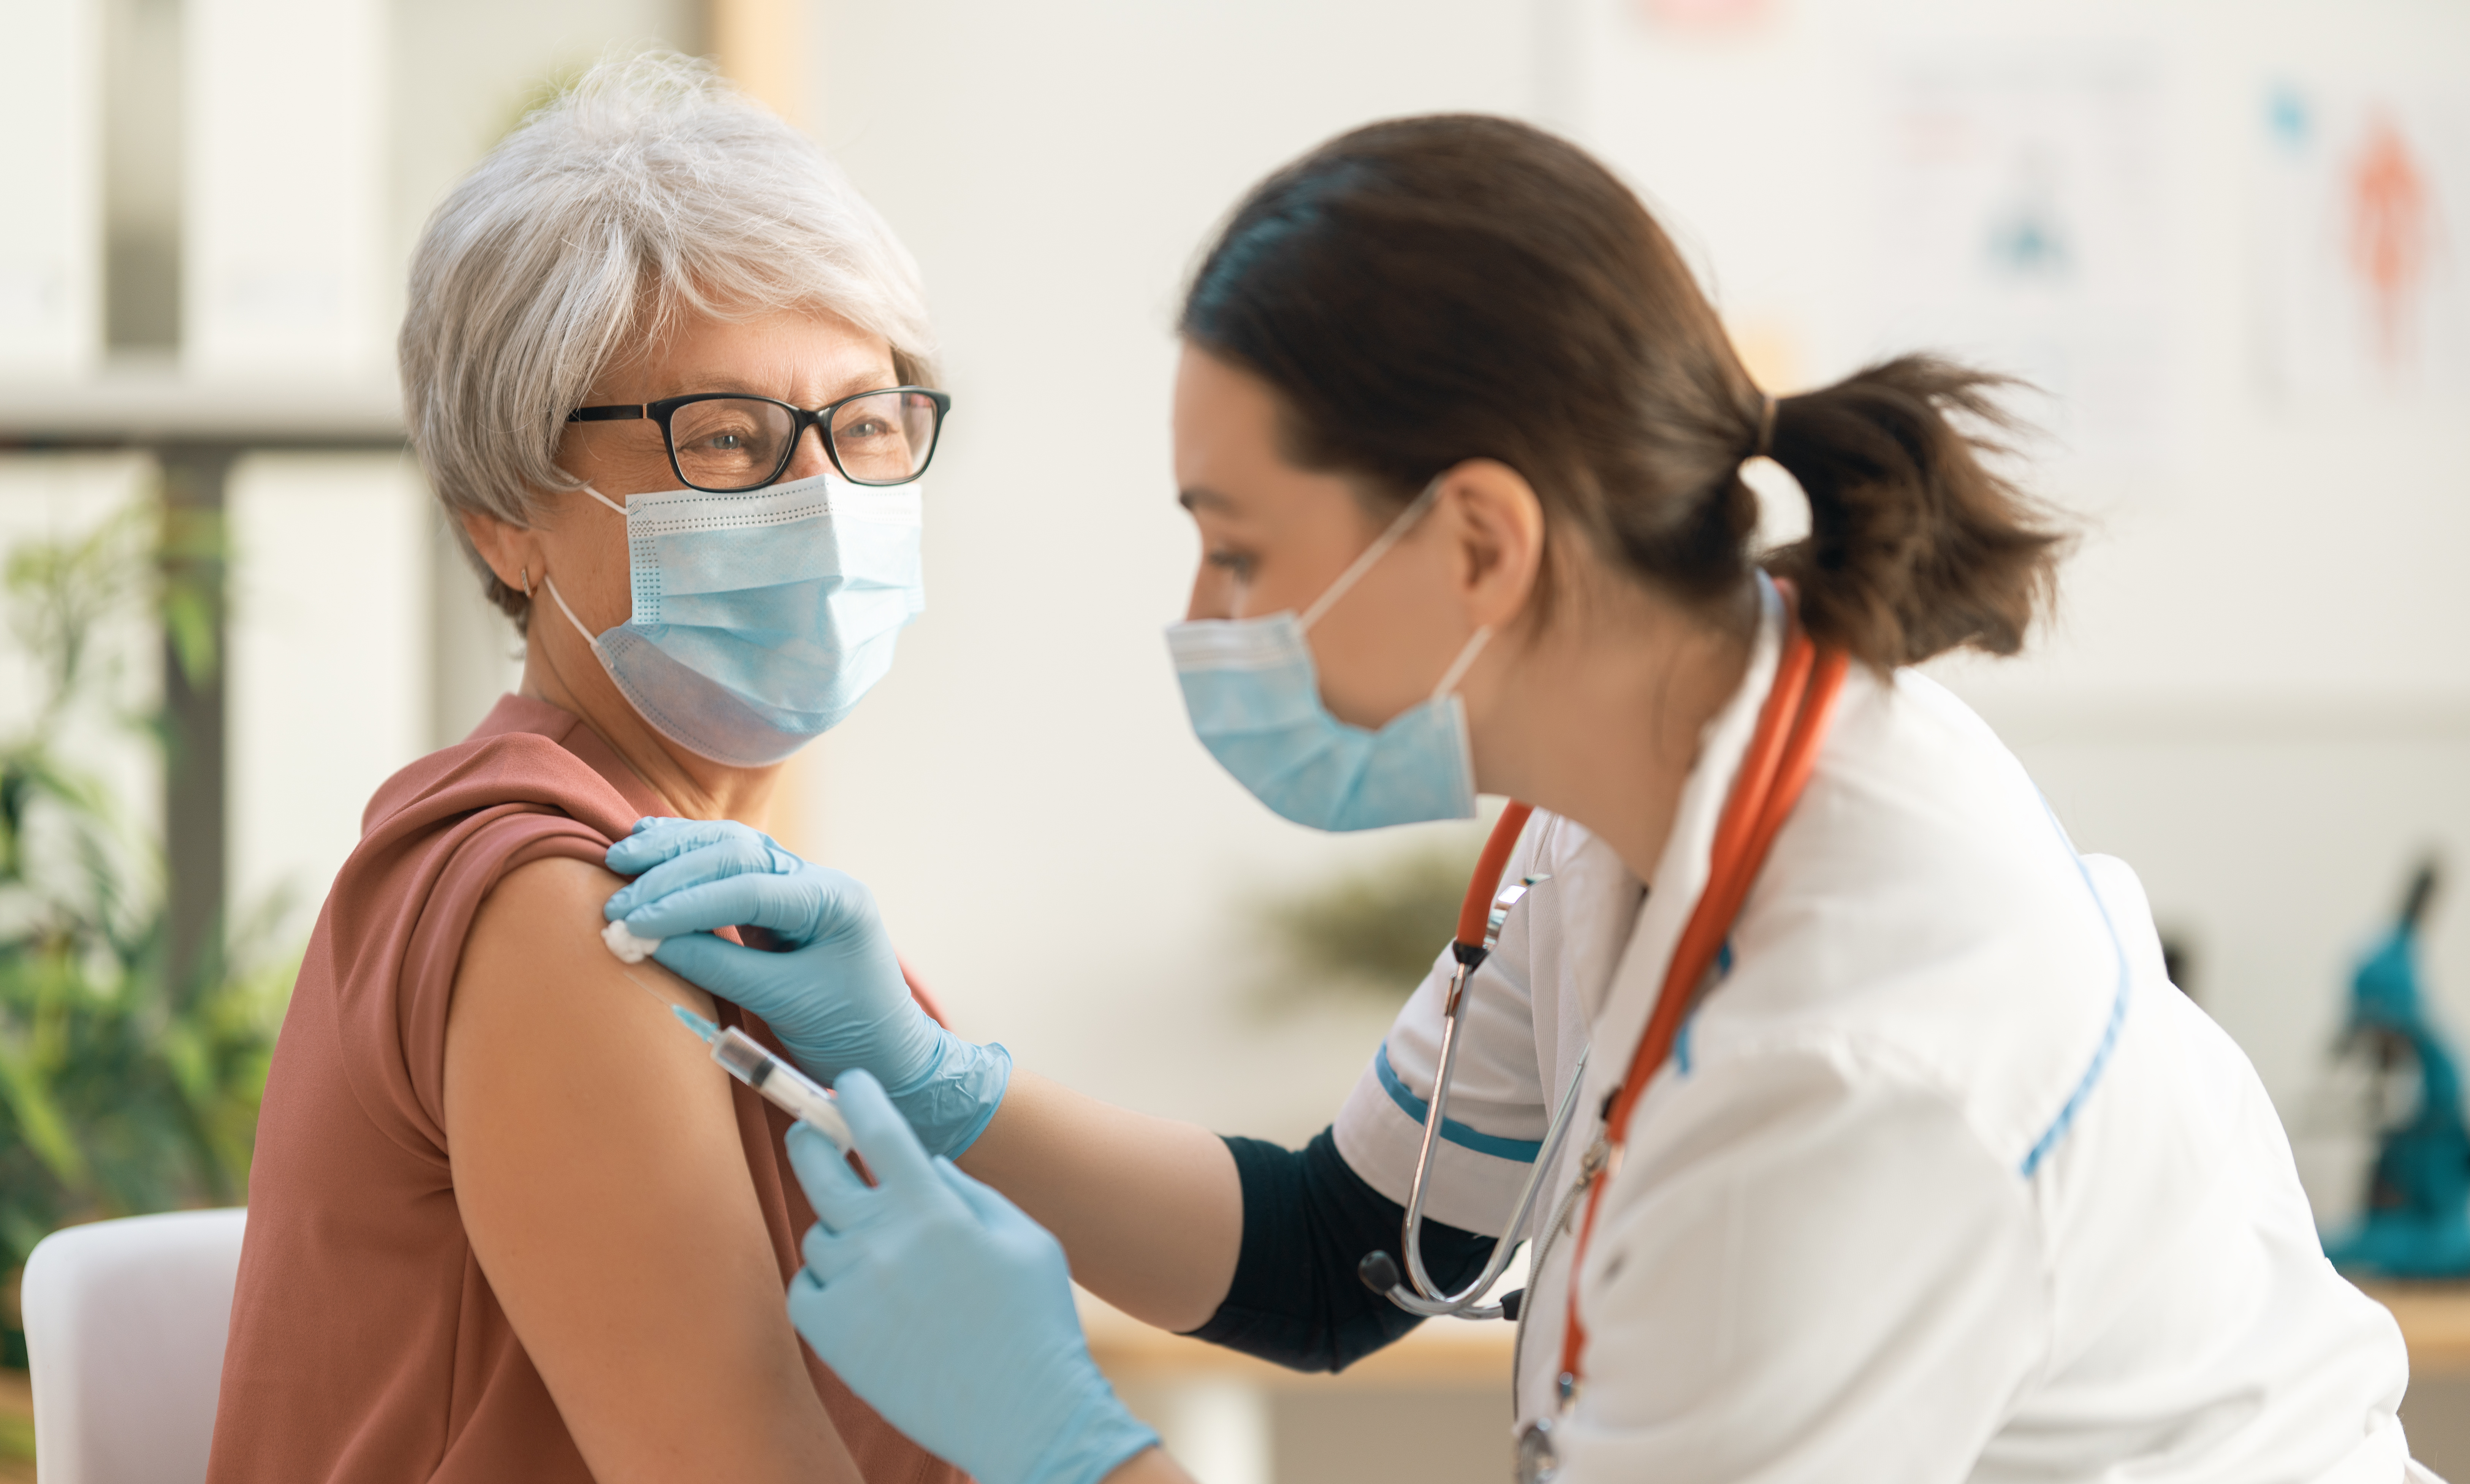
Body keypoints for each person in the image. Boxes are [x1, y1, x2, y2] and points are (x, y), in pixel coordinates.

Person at [606, 115, 2436, 1483]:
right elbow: (1337, 1255)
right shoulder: (1612, 816)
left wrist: (1057, 1430)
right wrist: (940, 1084)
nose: (1201, 627)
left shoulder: (1860, 1055)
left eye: (1237, 554)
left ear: (1476, 536)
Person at [207, 55, 972, 1484]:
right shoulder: (563, 908)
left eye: (865, 424)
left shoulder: (751, 899)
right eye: (726, 440)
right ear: (504, 517)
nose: (822, 503)